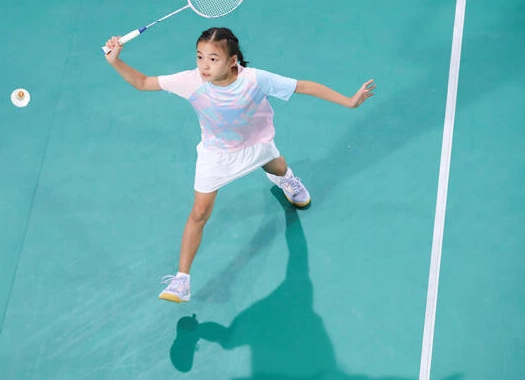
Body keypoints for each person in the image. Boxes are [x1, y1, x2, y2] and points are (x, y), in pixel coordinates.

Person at [104, 27, 375, 303]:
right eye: (200, 57)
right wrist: (116, 61)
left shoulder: (256, 80)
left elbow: (303, 86)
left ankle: (287, 179)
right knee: (199, 213)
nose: (204, 66)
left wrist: (349, 102)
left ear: (233, 60)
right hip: (216, 156)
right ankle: (181, 280)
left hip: (256, 145)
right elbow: (142, 82)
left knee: (277, 168)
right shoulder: (191, 81)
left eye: (213, 59)